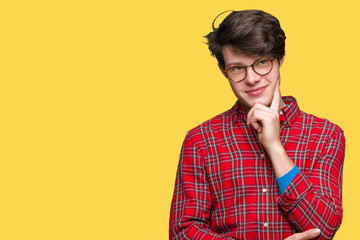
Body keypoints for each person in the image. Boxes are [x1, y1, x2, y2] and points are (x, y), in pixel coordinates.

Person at [169, 10, 345, 240]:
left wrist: (275, 148)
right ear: (224, 72)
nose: (251, 78)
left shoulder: (325, 135)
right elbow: (183, 231)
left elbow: (324, 228)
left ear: (280, 60)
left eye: (262, 62)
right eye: (238, 68)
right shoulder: (201, 140)